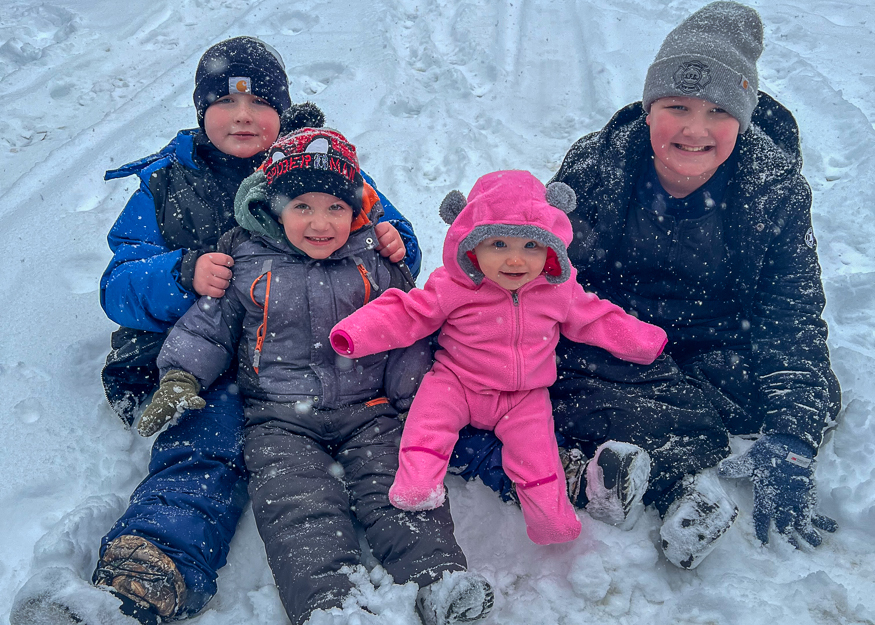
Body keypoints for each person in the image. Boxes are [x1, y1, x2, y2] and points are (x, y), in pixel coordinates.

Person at [10, 37, 419, 625]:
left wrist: (395, 241)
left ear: (283, 110)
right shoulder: (167, 182)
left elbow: (390, 233)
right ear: (201, 111)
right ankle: (148, 567)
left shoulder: (318, 166)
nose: (244, 116)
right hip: (191, 357)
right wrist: (183, 274)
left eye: (261, 103)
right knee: (211, 433)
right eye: (226, 103)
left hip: (293, 356)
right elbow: (118, 286)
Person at [452, 1, 840, 570]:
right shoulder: (595, 164)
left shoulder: (772, 188)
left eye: (717, 111)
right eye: (676, 106)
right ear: (648, 106)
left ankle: (624, 456)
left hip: (714, 349)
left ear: (743, 116)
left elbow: (792, 314)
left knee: (770, 394)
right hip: (607, 334)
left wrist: (793, 437)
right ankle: (608, 470)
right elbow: (544, 277)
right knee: (509, 373)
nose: (694, 129)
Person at [138, 126, 493, 625]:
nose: (320, 223)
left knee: (403, 486)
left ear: (356, 211)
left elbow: (407, 337)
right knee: (298, 508)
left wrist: (418, 403)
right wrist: (180, 377)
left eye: (335, 208)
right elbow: (209, 327)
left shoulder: (376, 262)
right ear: (274, 206)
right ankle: (329, 604)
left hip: (370, 411)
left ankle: (439, 578)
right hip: (278, 418)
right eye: (302, 206)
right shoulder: (244, 259)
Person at [329, 170, 668, 546]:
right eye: (499, 245)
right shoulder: (455, 285)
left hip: (524, 397)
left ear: (550, 248)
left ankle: (552, 523)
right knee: (428, 424)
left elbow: (598, 318)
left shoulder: (559, 292)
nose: (515, 261)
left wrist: (645, 340)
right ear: (472, 246)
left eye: (531, 247)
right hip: (457, 382)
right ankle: (417, 485)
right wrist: (355, 333)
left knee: (538, 461)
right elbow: (409, 312)